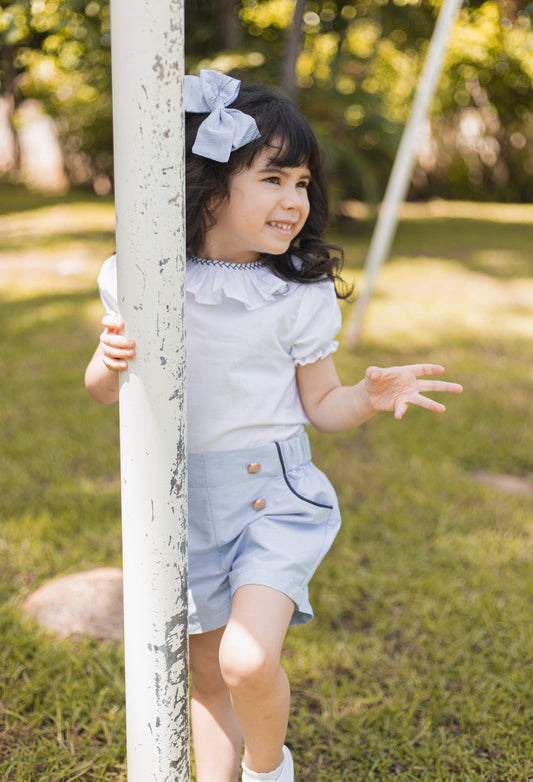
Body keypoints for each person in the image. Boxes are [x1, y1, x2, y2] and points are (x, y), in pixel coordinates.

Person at [85, 70, 462, 782]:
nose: (295, 199)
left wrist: (367, 393)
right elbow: (106, 392)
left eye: (303, 183)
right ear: (210, 183)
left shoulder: (293, 292)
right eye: (274, 178)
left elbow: (321, 405)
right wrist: (108, 363)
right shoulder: (142, 275)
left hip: (272, 497)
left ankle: (268, 768)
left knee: (247, 660)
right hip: (180, 505)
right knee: (205, 677)